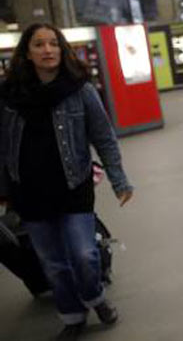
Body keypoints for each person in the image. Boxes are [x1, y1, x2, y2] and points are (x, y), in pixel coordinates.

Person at [0, 23, 132, 340]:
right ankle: (73, 316)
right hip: (28, 193)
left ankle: (95, 298)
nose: (48, 50)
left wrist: (119, 179)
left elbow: (104, 137)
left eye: (54, 44)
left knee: (84, 256)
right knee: (54, 264)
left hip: (73, 187)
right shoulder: (8, 96)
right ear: (27, 53)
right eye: (39, 45)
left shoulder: (80, 89)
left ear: (62, 49)